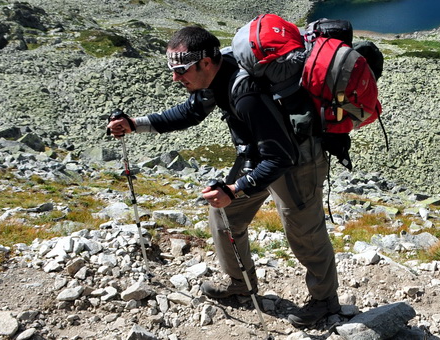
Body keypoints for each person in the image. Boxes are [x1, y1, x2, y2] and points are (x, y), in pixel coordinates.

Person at [106, 19, 340, 327]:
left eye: (181, 70)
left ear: (204, 62)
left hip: (297, 162)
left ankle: (325, 301)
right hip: (260, 155)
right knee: (224, 215)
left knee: (303, 233)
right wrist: (136, 123)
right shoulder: (214, 76)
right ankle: (240, 282)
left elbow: (281, 156)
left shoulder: (246, 94)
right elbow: (190, 112)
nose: (176, 78)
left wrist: (235, 188)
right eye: (173, 71)